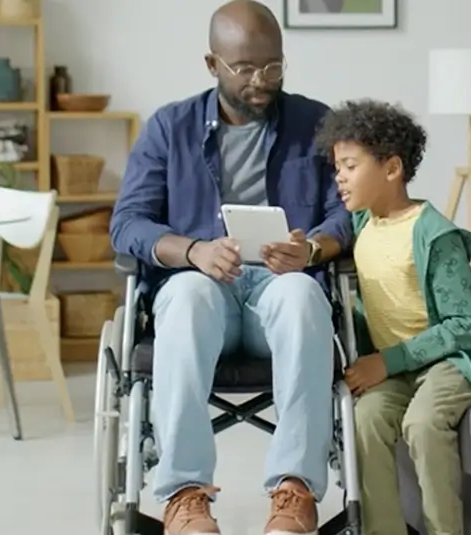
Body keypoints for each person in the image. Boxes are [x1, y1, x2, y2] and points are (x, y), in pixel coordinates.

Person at [109, 1, 352, 534]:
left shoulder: (316, 123)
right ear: (211, 64)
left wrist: (311, 249)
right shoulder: (169, 128)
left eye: (273, 66)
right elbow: (127, 224)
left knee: (303, 295)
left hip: (280, 288)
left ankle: (294, 491)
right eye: (244, 68)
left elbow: (347, 211)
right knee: (188, 295)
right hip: (203, 289)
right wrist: (193, 251)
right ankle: (185, 494)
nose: (261, 81)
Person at [313, 100, 471, 535]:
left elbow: (469, 324)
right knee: (364, 419)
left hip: (451, 363)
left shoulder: (434, 234)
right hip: (398, 368)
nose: (339, 177)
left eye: (350, 166)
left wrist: (387, 361)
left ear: (392, 168)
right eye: (337, 167)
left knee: (423, 423)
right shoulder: (361, 224)